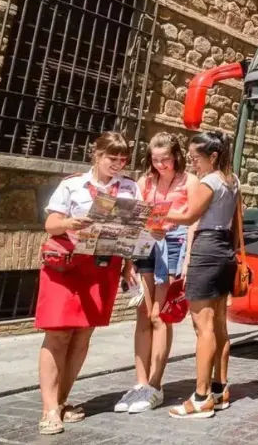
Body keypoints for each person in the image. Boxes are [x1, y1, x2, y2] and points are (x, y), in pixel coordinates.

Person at [36, 132, 140, 435]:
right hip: (67, 268)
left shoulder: (130, 188)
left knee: (82, 336)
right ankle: (48, 409)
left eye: (123, 159)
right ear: (97, 155)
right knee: (58, 335)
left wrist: (129, 265)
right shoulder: (72, 185)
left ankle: (62, 401)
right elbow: (50, 224)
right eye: (112, 158)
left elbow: (131, 232)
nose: (118, 164)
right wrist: (70, 223)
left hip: (102, 268)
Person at [114, 133, 199, 414]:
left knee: (159, 315)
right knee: (142, 313)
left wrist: (187, 260)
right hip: (145, 243)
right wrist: (128, 259)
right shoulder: (144, 182)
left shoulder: (189, 181)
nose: (161, 164)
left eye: (166, 159)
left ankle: (155, 384)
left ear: (176, 156)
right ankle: (140, 382)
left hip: (173, 246)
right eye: (155, 159)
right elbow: (133, 218)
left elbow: (192, 222)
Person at [164, 131, 240, 419]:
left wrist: (158, 213)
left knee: (202, 326)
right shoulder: (233, 181)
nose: (193, 163)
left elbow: (189, 216)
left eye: (196, 158)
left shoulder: (209, 181)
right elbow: (236, 221)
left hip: (207, 248)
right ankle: (220, 390)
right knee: (220, 323)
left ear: (213, 156)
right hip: (224, 251)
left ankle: (200, 397)